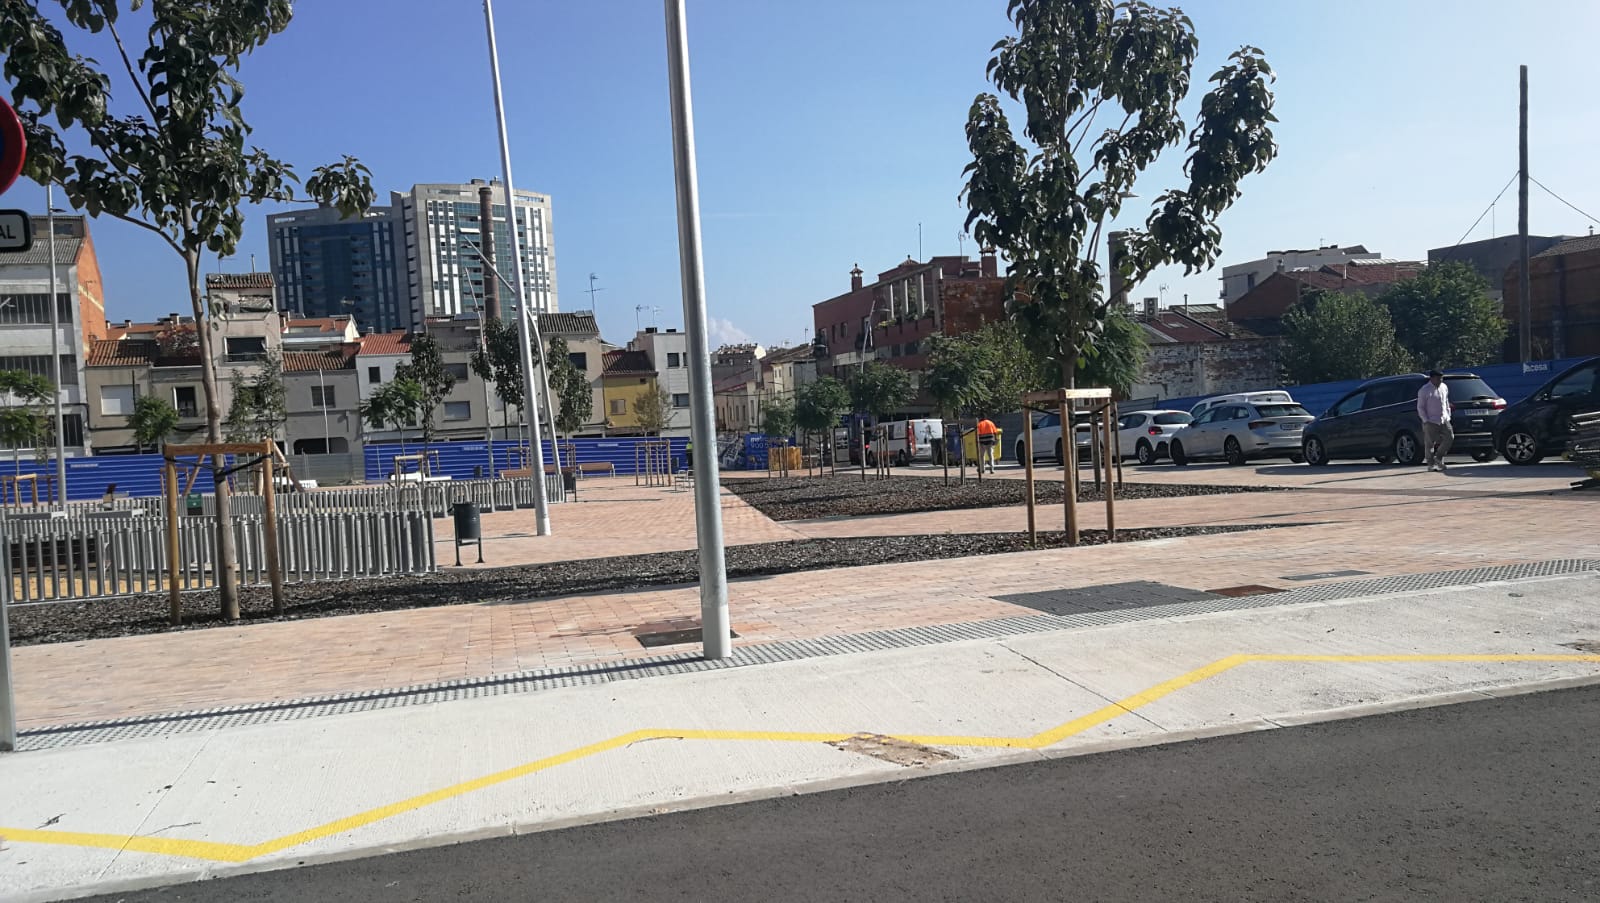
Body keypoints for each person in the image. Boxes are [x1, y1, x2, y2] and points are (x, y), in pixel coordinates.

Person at [1417, 369, 1453, 472]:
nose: (1440, 380)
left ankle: (1439, 457)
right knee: (1429, 443)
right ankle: (1430, 464)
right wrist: (1425, 420)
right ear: (1431, 378)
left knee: (1450, 437)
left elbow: (1446, 401)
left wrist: (1448, 415)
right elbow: (1420, 407)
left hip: (1444, 419)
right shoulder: (1424, 390)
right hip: (1431, 421)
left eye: (1441, 378)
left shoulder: (1444, 387)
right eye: (1438, 378)